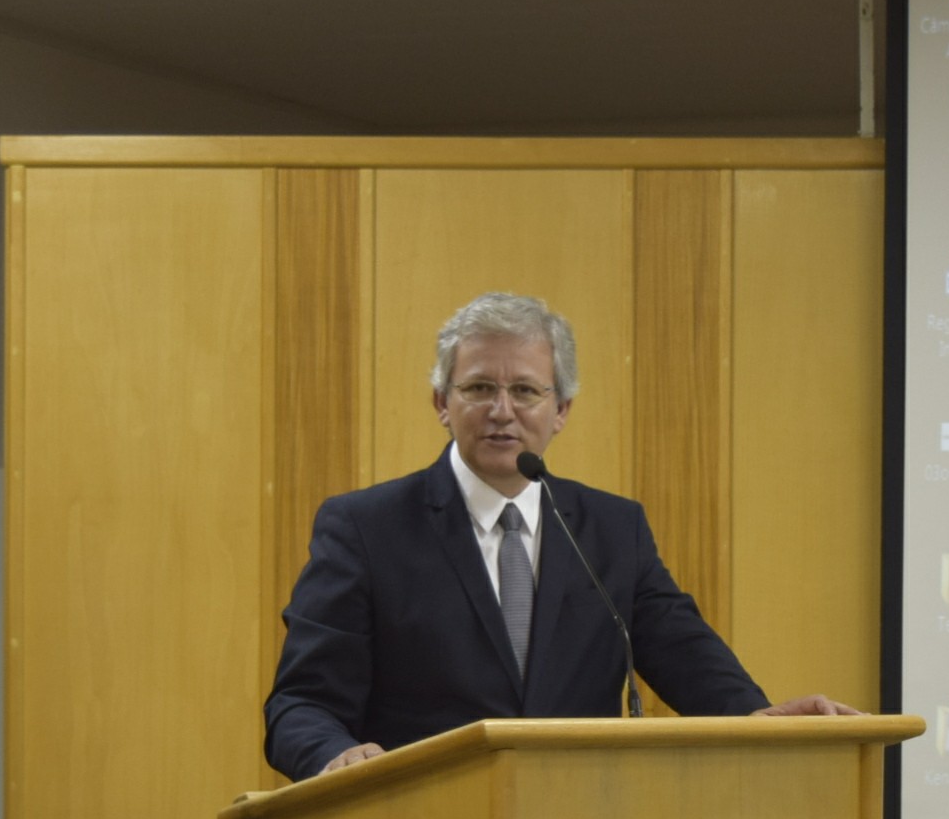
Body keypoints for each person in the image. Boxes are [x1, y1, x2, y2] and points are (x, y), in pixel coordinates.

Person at [263, 291, 860, 779]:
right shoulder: (367, 528)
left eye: (525, 391)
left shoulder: (611, 530)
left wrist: (757, 718)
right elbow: (301, 703)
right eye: (479, 388)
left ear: (562, 410)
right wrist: (334, 756)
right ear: (442, 402)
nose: (502, 411)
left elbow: (683, 653)